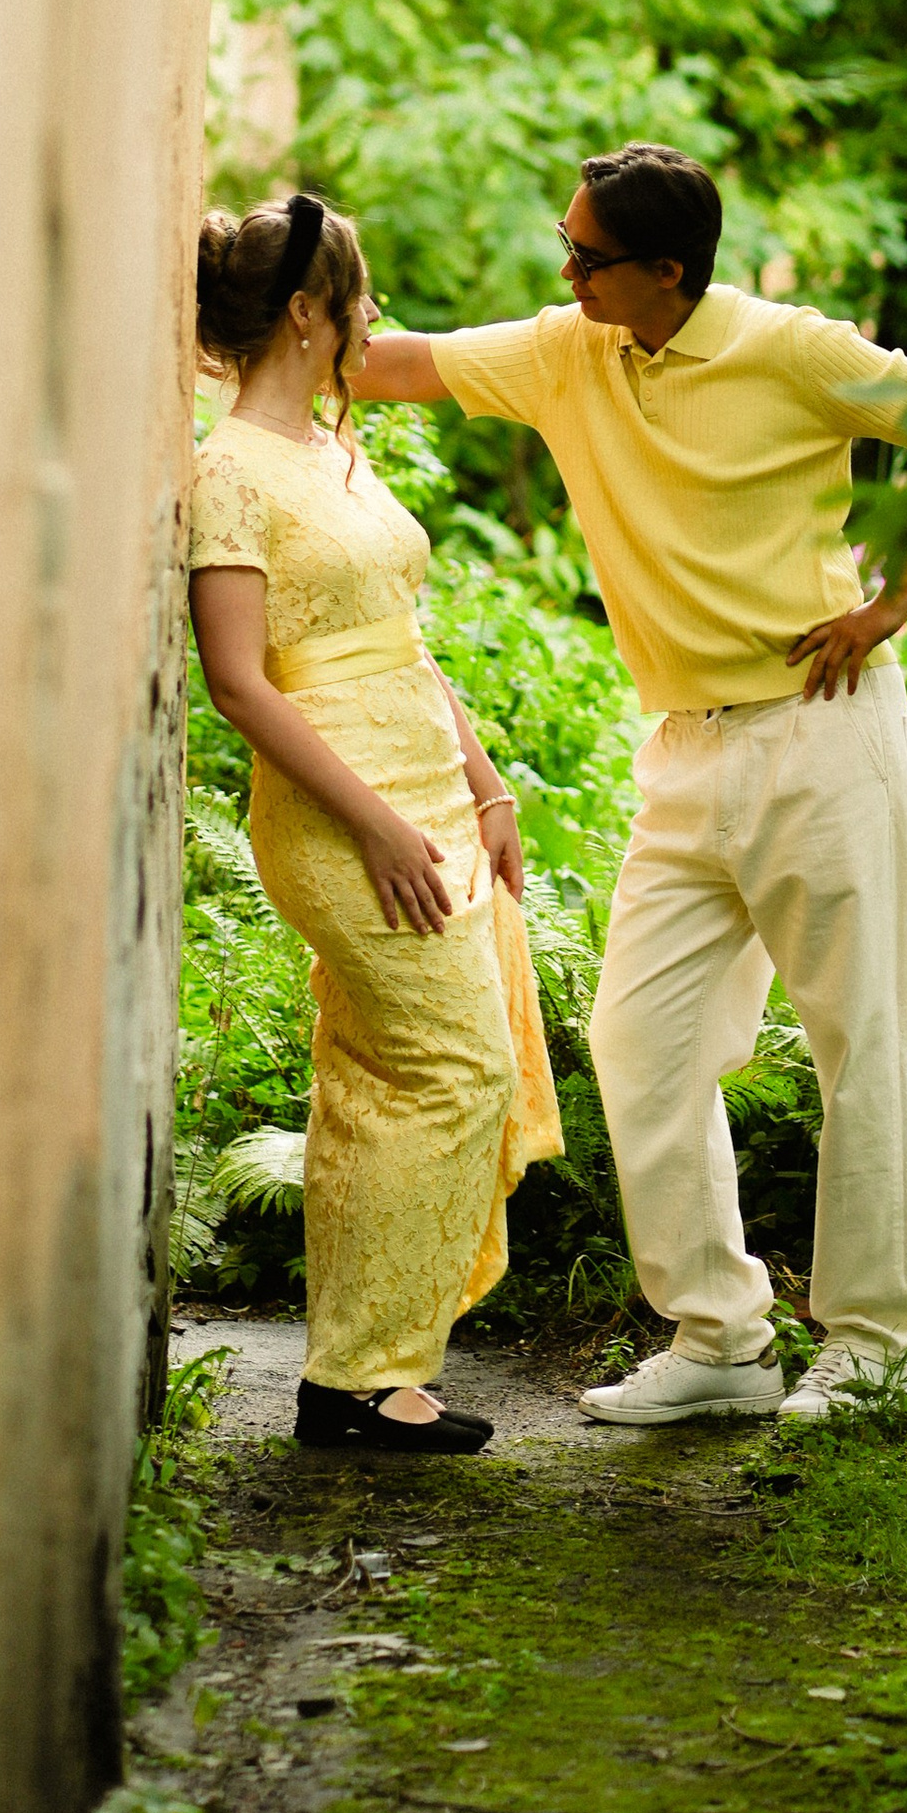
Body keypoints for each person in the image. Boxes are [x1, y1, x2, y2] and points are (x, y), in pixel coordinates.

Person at [349, 143, 907, 1429]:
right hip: (683, 752)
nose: (563, 268)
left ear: (666, 271)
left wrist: (891, 604)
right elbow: (388, 362)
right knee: (638, 1040)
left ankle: (866, 1346)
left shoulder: (790, 349)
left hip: (821, 732)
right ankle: (721, 1338)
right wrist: (252, 303)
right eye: (566, 244)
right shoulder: (568, 349)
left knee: (862, 1042)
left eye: (586, 256)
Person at [188, 191, 562, 1454]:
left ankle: (355, 1377)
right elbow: (241, 681)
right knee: (455, 1068)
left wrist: (485, 785)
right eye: (360, 298)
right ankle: (364, 1378)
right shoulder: (228, 471)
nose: (373, 318)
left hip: (427, 786)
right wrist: (379, 830)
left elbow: (404, 647)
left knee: (376, 1075)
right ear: (307, 313)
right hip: (340, 809)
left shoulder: (332, 452)